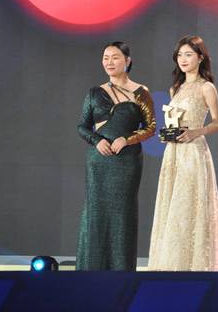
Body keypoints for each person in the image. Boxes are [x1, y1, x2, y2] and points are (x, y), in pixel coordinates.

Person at [148, 35, 218, 271]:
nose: (183, 59)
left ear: (200, 58)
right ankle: (172, 262)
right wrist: (168, 134)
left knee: (190, 204)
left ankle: (194, 264)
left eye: (189, 54)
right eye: (180, 55)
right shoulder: (176, 88)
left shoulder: (207, 87)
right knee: (172, 206)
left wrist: (195, 132)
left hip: (193, 152)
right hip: (173, 153)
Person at [76, 41, 156, 271]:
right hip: (99, 161)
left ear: (127, 61)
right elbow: (82, 126)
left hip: (127, 161)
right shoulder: (95, 93)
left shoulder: (140, 92)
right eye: (106, 58)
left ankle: (121, 271)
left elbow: (151, 127)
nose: (109, 62)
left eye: (115, 57)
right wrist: (97, 140)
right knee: (96, 214)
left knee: (122, 215)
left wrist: (127, 139)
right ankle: (91, 269)